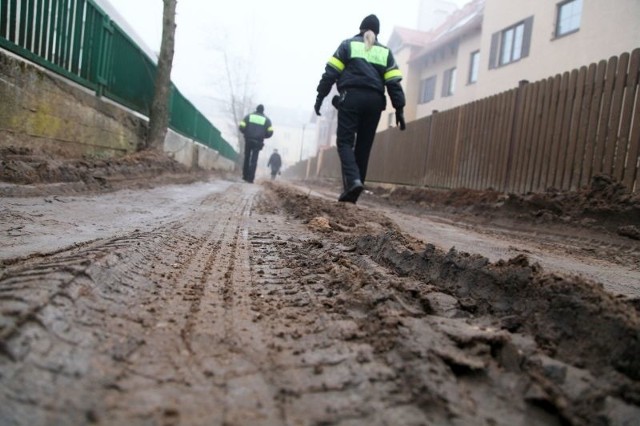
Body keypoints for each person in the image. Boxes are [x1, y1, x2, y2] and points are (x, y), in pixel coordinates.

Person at [314, 14, 406, 203]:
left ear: (360, 29)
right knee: (363, 147)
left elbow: (330, 74)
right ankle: (352, 193)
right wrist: (399, 108)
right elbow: (394, 83)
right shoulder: (386, 53)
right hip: (375, 102)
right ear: (377, 33)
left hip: (351, 98)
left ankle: (354, 181)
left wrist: (320, 97)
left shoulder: (348, 45)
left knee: (345, 143)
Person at [239, 104, 273, 183]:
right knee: (254, 159)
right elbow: (270, 132)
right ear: (263, 110)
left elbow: (241, 127)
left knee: (247, 157)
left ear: (256, 109)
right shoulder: (267, 120)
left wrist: (246, 133)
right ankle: (250, 178)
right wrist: (264, 136)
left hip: (248, 139)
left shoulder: (248, 116)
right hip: (258, 141)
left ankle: (245, 176)